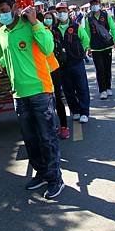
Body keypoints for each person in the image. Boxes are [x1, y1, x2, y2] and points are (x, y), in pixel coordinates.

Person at [0, 0, 64, 199]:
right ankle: (41, 173)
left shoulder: (31, 26)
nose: (1, 15)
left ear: (14, 8)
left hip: (40, 91)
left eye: (4, 10)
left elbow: (48, 48)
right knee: (30, 140)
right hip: (19, 95)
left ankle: (55, 179)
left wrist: (36, 23)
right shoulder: (2, 33)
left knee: (47, 138)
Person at [54, 3, 90, 123]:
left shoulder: (76, 26)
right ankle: (75, 111)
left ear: (67, 12)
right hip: (62, 65)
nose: (61, 13)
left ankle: (84, 112)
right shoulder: (54, 29)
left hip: (77, 62)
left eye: (63, 10)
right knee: (68, 89)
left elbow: (85, 39)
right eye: (59, 11)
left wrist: (81, 53)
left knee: (82, 87)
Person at [40, 11, 70, 139]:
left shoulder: (52, 32)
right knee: (46, 102)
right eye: (45, 18)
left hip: (53, 68)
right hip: (41, 70)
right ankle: (52, 127)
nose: (47, 20)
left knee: (57, 98)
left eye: (49, 18)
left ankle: (64, 127)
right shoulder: (39, 30)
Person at [85, 0, 115, 100]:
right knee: (99, 69)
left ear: (99, 4)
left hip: (107, 45)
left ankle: (108, 87)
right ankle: (102, 90)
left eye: (96, 3)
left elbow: (113, 27)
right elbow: (87, 33)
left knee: (107, 68)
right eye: (92, 4)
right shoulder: (88, 18)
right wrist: (88, 47)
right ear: (90, 5)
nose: (94, 5)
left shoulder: (106, 15)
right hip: (95, 48)